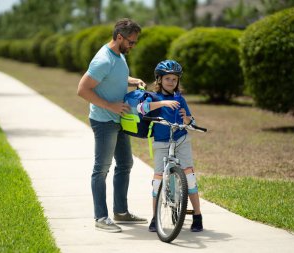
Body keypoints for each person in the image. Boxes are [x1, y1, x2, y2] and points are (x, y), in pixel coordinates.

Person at [77, 18, 147, 233]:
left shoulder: (118, 55)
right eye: (131, 42)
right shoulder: (103, 60)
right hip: (104, 120)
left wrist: (133, 81)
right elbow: (82, 89)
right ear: (119, 37)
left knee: (125, 164)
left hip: (119, 119)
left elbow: (116, 77)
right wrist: (110, 105)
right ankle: (101, 217)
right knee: (102, 169)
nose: (133, 46)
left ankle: (121, 212)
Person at [137, 60, 203, 232]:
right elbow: (140, 109)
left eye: (174, 79)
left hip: (181, 140)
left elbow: (191, 120)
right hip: (161, 142)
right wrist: (162, 104)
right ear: (159, 79)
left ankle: (197, 215)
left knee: (189, 175)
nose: (171, 82)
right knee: (158, 180)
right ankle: (155, 217)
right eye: (167, 79)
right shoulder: (153, 96)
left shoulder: (180, 99)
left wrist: (187, 119)